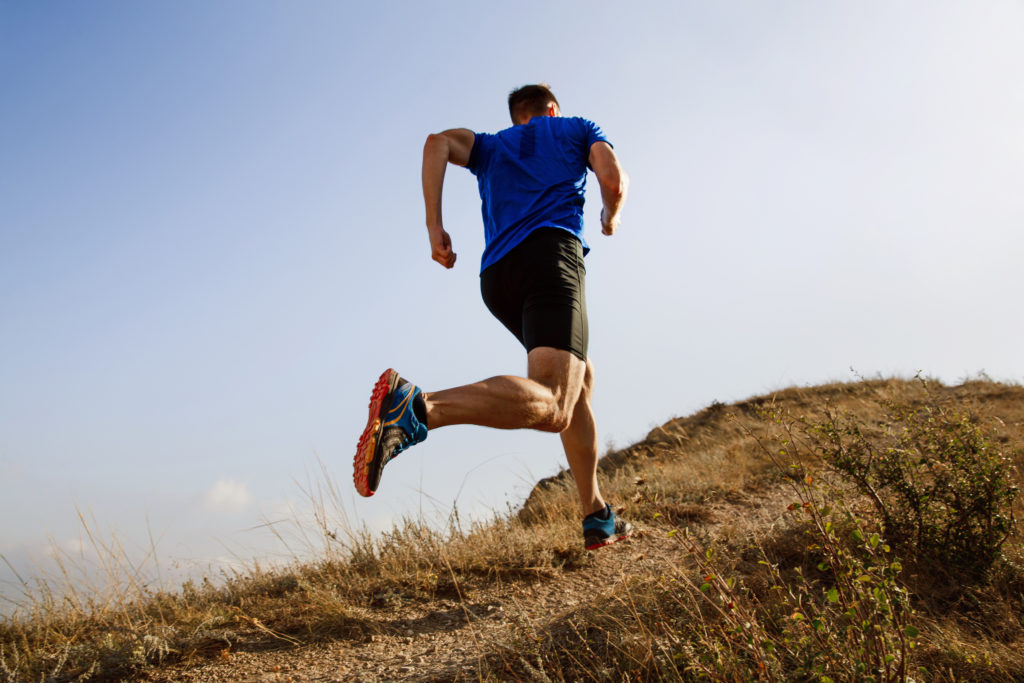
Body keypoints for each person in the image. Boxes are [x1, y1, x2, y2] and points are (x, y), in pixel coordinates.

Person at [353, 84, 631, 550]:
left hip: (498, 277)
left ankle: (596, 513)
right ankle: (419, 408)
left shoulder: (490, 144)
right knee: (556, 402)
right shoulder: (576, 128)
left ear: (516, 114)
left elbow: (435, 143)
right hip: (551, 255)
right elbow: (613, 178)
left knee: (580, 377)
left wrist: (434, 226)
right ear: (550, 109)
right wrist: (610, 214)